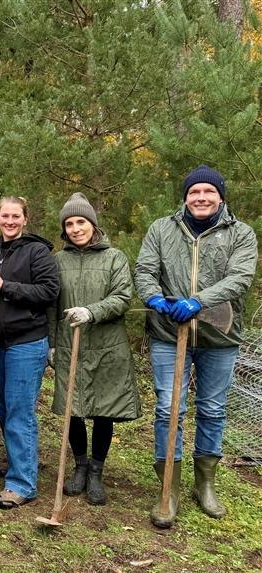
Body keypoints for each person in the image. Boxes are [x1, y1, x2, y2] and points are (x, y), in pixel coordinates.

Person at [135, 165, 257, 528]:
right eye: (194, 192)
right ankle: (168, 488)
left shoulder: (240, 233)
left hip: (219, 336)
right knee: (168, 408)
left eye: (208, 192)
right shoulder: (162, 229)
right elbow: (144, 270)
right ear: (185, 197)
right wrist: (154, 298)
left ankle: (205, 484)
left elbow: (240, 277)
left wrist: (199, 301)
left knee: (213, 409)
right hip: (168, 333)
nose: (201, 198)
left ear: (221, 197)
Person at [49, 192, 140, 506]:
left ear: (93, 224)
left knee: (104, 409)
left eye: (81, 222)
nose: (75, 228)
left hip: (106, 345)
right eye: (69, 224)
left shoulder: (114, 258)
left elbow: (123, 296)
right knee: (72, 409)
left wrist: (91, 311)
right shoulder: (58, 260)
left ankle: (97, 471)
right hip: (68, 344)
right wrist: (51, 344)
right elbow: (51, 305)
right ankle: (80, 466)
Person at [0, 196, 59, 509]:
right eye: (5, 216)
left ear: (25, 219)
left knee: (20, 412)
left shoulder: (37, 252)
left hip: (27, 342)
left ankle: (22, 483)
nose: (10, 221)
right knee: (2, 407)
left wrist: (5, 285)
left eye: (15, 216)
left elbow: (49, 291)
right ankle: (19, 460)